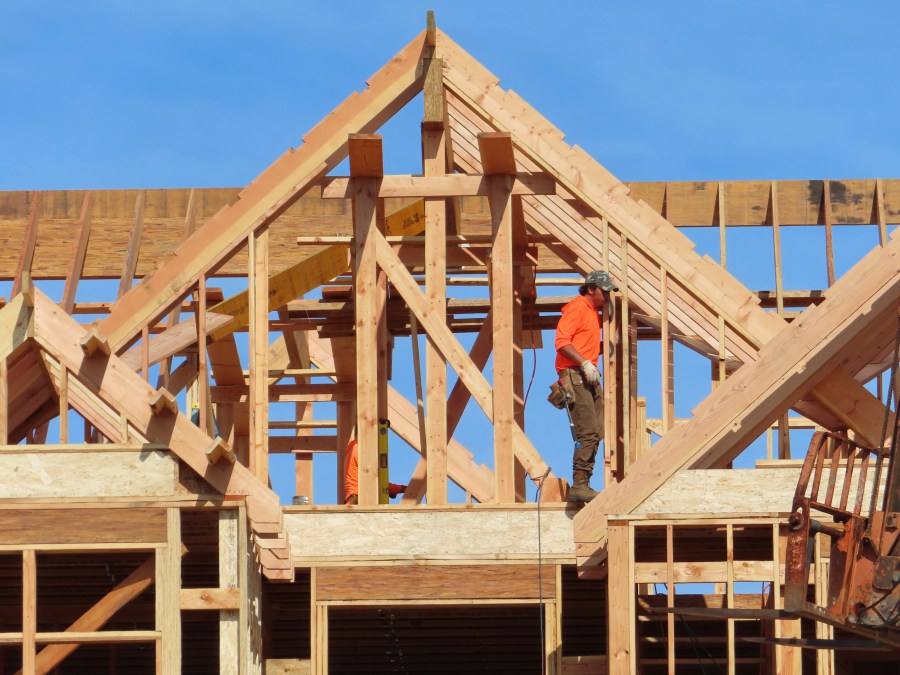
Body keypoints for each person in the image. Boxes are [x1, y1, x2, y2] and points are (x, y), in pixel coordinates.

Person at [555, 269, 618, 502]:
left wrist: (615, 341)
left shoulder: (593, 312)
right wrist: (584, 364)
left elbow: (587, 346)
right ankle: (580, 484)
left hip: (585, 373)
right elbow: (561, 342)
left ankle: (584, 482)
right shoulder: (578, 307)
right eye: (605, 291)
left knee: (598, 429)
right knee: (588, 430)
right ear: (591, 288)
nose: (607, 297)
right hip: (574, 374)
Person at [343, 436, 407, 505]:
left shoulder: (353, 449)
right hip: (359, 498)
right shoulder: (359, 451)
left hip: (355, 498)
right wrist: (401, 489)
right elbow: (375, 480)